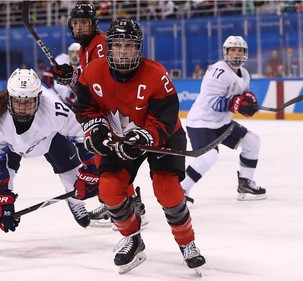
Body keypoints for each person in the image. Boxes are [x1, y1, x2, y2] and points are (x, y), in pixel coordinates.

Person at [73, 19, 205, 274]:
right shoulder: (92, 73)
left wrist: (144, 138)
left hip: (163, 137)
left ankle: (187, 243)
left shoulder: (156, 74)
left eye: (130, 46)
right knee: (110, 189)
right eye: (118, 45)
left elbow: (165, 118)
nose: (123, 52)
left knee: (167, 189)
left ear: (139, 49)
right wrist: (96, 128)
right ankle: (132, 238)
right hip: (120, 139)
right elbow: (85, 108)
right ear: (108, 48)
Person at [0, 68, 99, 254]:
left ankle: (76, 203)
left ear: (39, 98)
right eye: (18, 101)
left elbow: (82, 135)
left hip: (50, 139)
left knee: (74, 177)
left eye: (28, 102)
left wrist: (92, 168)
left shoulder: (53, 109)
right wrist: (4, 194)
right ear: (9, 98)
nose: (23, 107)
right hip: (12, 146)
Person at [51, 3, 146, 228]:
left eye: (84, 23)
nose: (80, 27)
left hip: (112, 109)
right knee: (108, 158)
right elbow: (90, 78)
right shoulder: (86, 48)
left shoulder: (100, 44)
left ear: (93, 24)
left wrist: (74, 77)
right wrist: (71, 75)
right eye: (76, 23)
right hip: (106, 108)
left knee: (110, 158)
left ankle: (128, 205)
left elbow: (105, 76)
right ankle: (124, 203)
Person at [181, 35, 267, 205]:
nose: (236, 54)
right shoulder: (218, 71)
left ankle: (245, 184)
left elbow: (241, 98)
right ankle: (180, 190)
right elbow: (214, 102)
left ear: (245, 54)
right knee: (209, 156)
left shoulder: (245, 74)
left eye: (240, 50)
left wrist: (248, 103)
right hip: (201, 122)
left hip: (222, 123)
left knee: (252, 141)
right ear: (226, 52)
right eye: (233, 50)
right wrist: (237, 104)